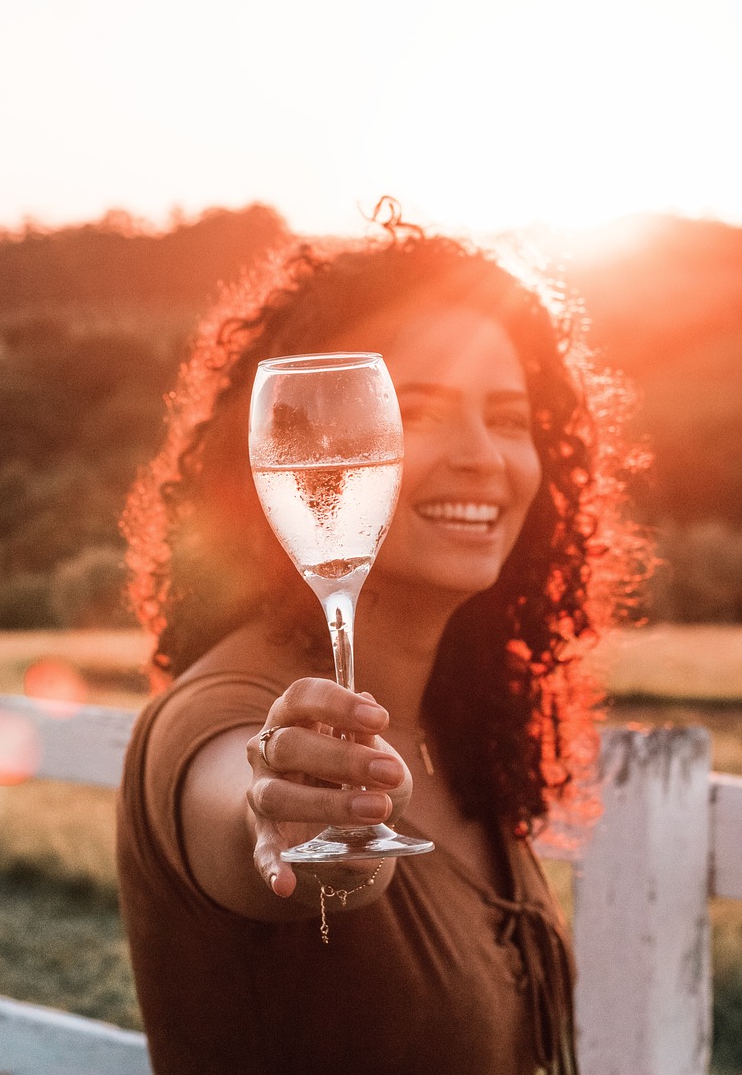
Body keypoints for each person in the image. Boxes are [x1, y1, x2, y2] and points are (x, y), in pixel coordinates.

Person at [116, 206, 641, 1075]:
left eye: (509, 419)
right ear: (304, 444)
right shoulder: (217, 718)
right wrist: (284, 819)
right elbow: (250, 810)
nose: (481, 456)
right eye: (418, 412)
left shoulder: (457, 725)